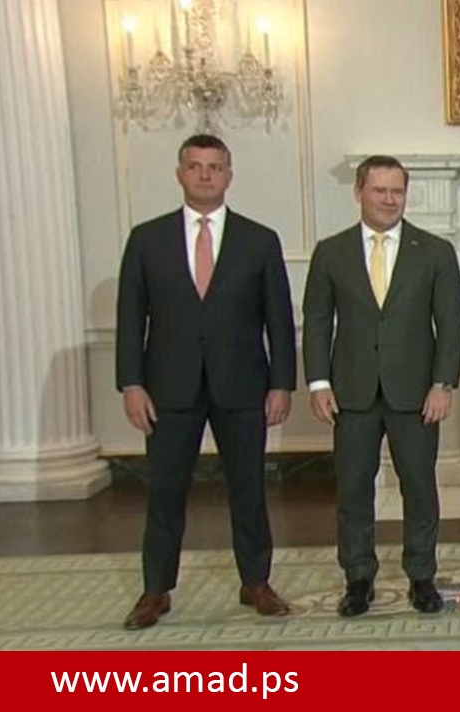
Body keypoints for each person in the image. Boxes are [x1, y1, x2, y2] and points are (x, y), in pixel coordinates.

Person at [116, 134, 296, 630]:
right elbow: (131, 319)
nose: (205, 175)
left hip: (243, 385)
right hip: (167, 388)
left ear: (229, 175)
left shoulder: (259, 240)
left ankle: (256, 582)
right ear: (180, 173)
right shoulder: (147, 239)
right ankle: (156, 590)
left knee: (249, 488)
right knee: (165, 491)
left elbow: (279, 320)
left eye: (214, 167)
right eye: (195, 166)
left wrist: (282, 383)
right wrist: (131, 383)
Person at [302, 155, 460, 616]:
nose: (390, 200)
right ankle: (358, 578)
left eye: (397, 191)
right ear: (359, 192)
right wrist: (318, 382)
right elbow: (317, 321)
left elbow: (451, 323)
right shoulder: (330, 252)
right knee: (354, 488)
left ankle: (422, 576)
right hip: (350, 391)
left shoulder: (434, 251)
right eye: (380, 190)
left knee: (420, 486)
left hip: (416, 393)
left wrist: (443, 383)